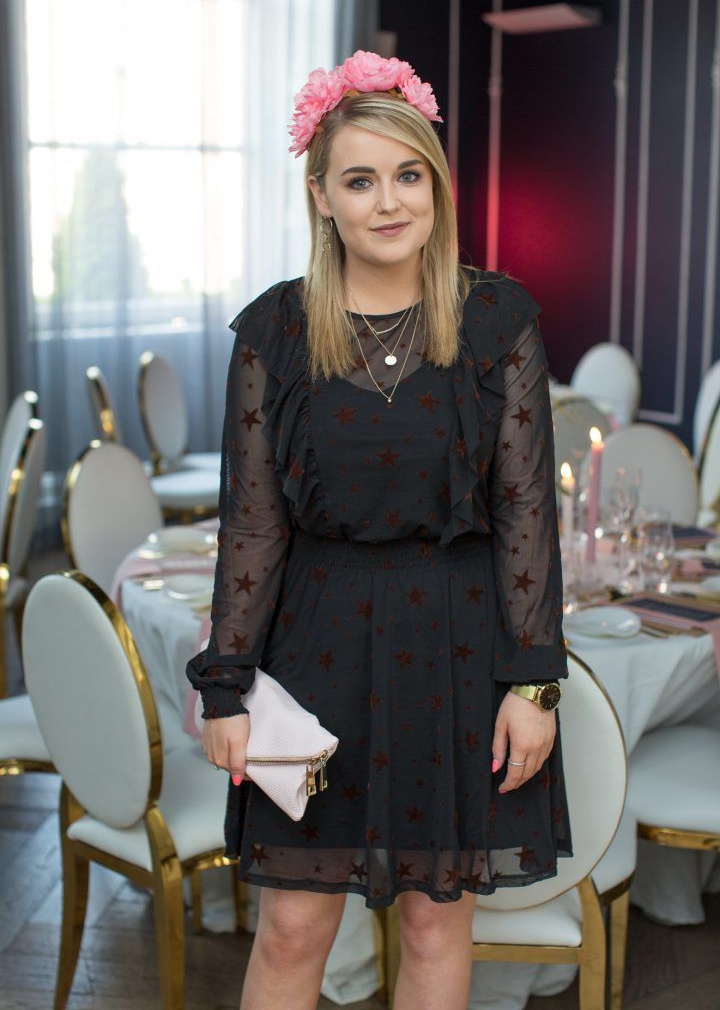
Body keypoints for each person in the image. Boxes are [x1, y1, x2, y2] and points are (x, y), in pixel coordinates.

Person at [186, 49, 571, 1010]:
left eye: (409, 175)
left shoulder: (496, 319)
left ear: (435, 185)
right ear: (321, 196)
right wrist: (226, 683)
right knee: (291, 928)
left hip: (456, 642)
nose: (388, 202)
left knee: (438, 926)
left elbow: (528, 508)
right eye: (360, 179)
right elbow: (255, 523)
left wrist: (534, 680)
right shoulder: (274, 330)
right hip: (316, 644)